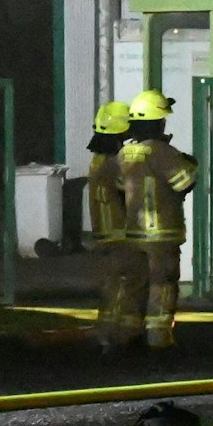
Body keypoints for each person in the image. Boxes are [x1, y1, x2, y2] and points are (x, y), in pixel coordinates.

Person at [118, 90, 199, 349]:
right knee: (162, 284)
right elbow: (184, 183)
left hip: (133, 234)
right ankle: (158, 337)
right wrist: (188, 162)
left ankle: (128, 334)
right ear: (156, 122)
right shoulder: (162, 152)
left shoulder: (124, 153)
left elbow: (120, 186)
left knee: (135, 285)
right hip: (161, 234)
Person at [86, 100, 137, 351]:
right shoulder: (114, 164)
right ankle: (122, 337)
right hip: (120, 238)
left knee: (110, 288)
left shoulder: (97, 160)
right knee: (127, 286)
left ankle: (106, 335)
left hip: (103, 237)